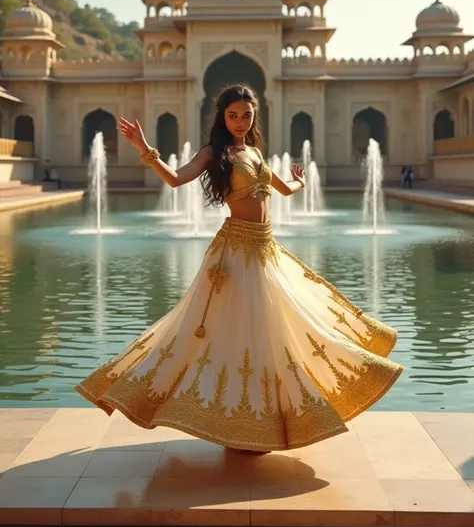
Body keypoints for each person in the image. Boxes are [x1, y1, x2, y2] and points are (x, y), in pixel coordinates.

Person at [75, 84, 403, 454]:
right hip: (234, 255)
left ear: (254, 116)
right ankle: (232, 418)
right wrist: (143, 148)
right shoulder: (214, 152)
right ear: (221, 116)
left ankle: (260, 422)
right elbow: (176, 178)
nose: (240, 121)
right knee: (230, 335)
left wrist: (300, 180)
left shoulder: (255, 153)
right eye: (233, 115)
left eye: (246, 115)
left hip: (265, 249)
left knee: (280, 330)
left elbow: (283, 189)